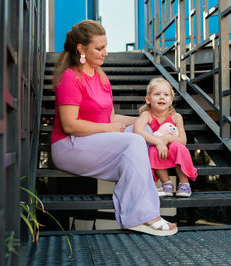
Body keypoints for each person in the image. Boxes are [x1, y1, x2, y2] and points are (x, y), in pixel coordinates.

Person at [50, 20, 177, 236]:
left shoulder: (101, 77)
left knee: (144, 134)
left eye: (106, 47)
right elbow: (70, 125)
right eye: (99, 48)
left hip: (94, 141)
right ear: (81, 49)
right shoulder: (70, 78)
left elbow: (111, 118)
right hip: (68, 146)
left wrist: (149, 119)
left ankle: (141, 196)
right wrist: (110, 128)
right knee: (134, 140)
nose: (105, 53)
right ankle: (143, 215)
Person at [134, 77, 197, 197]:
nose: (162, 97)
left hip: (174, 149)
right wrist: (158, 142)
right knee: (152, 150)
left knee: (179, 147)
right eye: (157, 94)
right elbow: (138, 130)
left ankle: (184, 184)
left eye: (166, 95)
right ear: (148, 99)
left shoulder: (176, 117)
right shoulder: (146, 115)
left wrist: (167, 138)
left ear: (171, 100)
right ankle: (166, 184)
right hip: (159, 150)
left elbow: (183, 140)